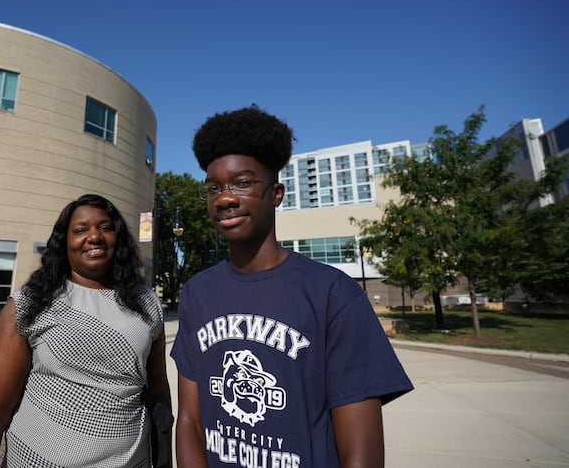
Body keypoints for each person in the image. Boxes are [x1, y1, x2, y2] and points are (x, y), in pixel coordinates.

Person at [170, 105, 413, 467]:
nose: (225, 198)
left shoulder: (332, 293)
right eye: (213, 188)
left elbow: (360, 452)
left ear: (276, 193)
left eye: (243, 183)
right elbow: (190, 420)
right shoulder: (197, 293)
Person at [0, 194, 172, 468]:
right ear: (64, 244)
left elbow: (161, 401)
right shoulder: (31, 304)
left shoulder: (147, 303)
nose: (94, 236)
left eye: (105, 227)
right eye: (80, 230)